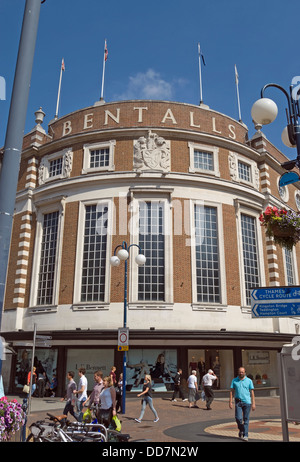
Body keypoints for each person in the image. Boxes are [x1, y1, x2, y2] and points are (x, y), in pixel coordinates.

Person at [229, 367, 256, 441]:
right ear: (238, 372)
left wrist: (253, 403)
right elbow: (231, 391)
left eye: (242, 372)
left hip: (247, 402)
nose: (241, 373)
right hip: (238, 402)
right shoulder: (234, 380)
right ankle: (241, 429)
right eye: (240, 372)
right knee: (238, 418)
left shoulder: (249, 381)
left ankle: (245, 435)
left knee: (246, 419)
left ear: (245, 372)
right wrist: (230, 401)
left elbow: (252, 392)